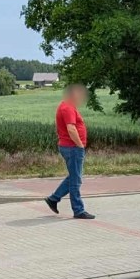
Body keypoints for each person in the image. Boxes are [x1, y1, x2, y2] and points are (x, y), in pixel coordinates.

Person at [45, 84, 95, 219]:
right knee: (76, 181)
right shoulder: (67, 108)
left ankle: (53, 199)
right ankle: (78, 210)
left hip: (70, 147)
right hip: (72, 148)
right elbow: (71, 129)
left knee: (74, 177)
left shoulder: (67, 106)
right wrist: (80, 145)